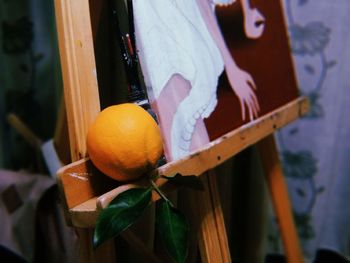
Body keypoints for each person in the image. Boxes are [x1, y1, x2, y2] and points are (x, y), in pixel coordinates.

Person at [134, 0, 264, 160]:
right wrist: (231, 68)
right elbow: (202, 4)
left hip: (187, 32)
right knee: (184, 110)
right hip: (171, 27)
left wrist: (247, 12)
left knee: (190, 114)